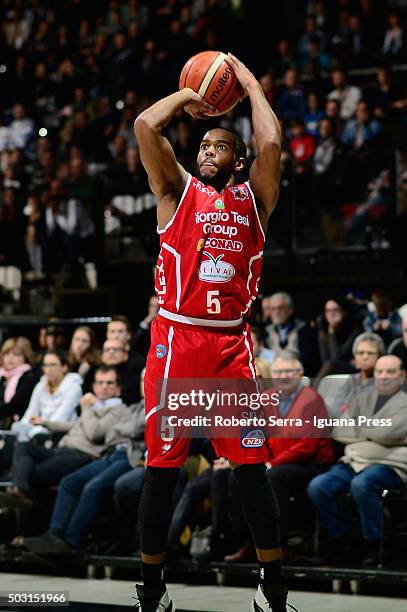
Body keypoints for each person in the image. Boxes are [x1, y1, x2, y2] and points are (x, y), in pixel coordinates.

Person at [133, 53, 295, 612]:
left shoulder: (256, 198)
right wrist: (192, 94)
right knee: (162, 470)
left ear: (238, 158)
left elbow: (272, 144)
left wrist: (245, 81)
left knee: (252, 469)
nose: (206, 151)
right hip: (176, 342)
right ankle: (151, 593)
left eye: (218, 145)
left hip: (229, 345)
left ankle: (273, 594)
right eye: (202, 145)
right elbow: (145, 127)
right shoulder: (174, 192)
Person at [308, 355, 407, 566]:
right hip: (355, 460)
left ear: (402, 375)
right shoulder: (363, 398)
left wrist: (361, 429)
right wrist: (375, 429)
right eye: (380, 371)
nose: (384, 376)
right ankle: (345, 541)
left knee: (361, 484)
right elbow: (339, 430)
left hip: (389, 464)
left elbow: (389, 433)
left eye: (390, 372)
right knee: (318, 486)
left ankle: (374, 543)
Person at [11, 350, 82, 443]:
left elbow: (60, 418)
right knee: (16, 427)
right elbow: (31, 413)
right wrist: (23, 427)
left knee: (29, 437)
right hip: (37, 429)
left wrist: (32, 430)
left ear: (64, 367)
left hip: (59, 432)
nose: (49, 369)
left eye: (53, 365)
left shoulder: (74, 388)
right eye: (45, 365)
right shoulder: (41, 385)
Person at [264, 292, 320, 376]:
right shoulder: (266, 332)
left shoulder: (304, 330)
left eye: (280, 308)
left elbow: (309, 360)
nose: (276, 312)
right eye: (273, 309)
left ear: (290, 310)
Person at [0, 337, 38, 427]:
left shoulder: (29, 377)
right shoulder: (2, 376)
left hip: (19, 424)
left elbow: (15, 406)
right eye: (7, 354)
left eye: (16, 354)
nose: (10, 357)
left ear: (25, 357)